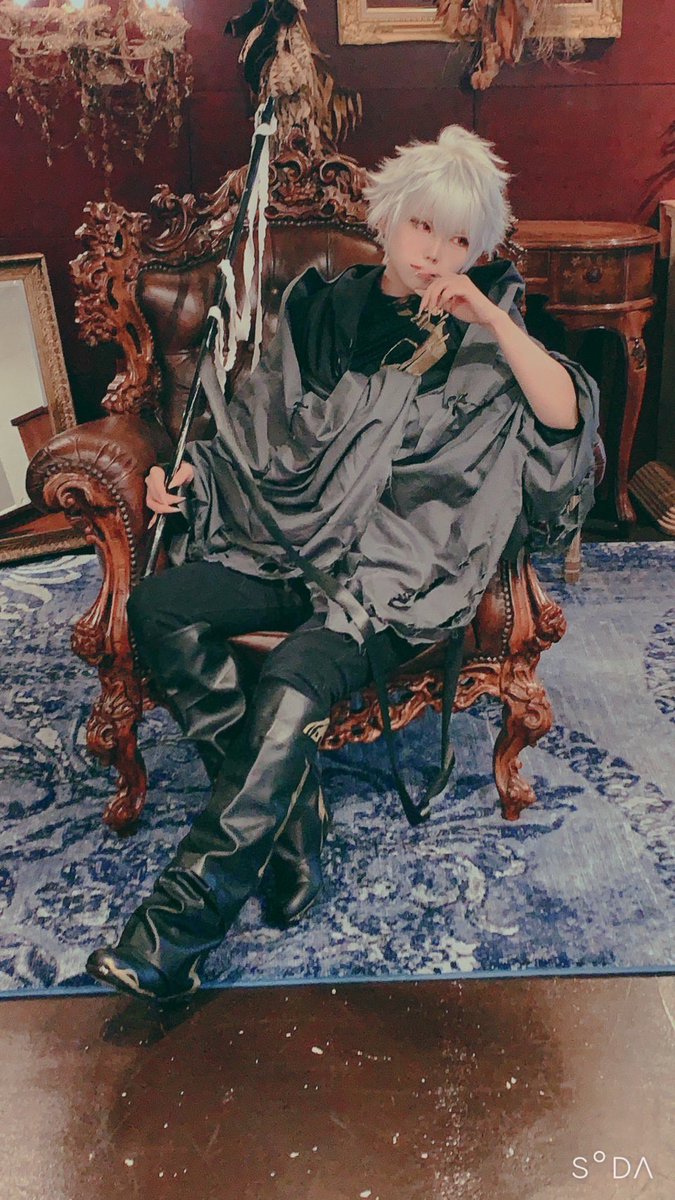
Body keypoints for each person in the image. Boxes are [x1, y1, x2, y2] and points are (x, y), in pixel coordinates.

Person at [86, 125, 599, 1003]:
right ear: (388, 218)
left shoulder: (490, 319)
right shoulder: (322, 309)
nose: (435, 253)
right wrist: (193, 472)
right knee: (158, 607)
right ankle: (293, 825)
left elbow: (561, 417)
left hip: (396, 572)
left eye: (459, 240)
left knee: (296, 671)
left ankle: (176, 930)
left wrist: (489, 319)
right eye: (422, 227)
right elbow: (261, 429)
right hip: (288, 539)